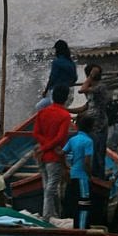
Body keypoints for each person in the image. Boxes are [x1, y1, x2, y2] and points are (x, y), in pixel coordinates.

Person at [33, 83, 72, 221]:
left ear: (52, 97)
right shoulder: (65, 115)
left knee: (48, 187)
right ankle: (47, 216)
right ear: (66, 98)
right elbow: (60, 138)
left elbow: (36, 133)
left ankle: (55, 214)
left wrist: (43, 147)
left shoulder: (42, 112)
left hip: (40, 156)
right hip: (54, 156)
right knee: (51, 189)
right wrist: (47, 148)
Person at [62, 114, 95, 229]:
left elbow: (62, 153)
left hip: (72, 175)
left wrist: (65, 168)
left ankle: (74, 227)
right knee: (84, 204)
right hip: (82, 177)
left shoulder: (73, 139)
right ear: (91, 128)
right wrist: (90, 176)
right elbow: (87, 162)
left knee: (73, 203)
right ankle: (81, 229)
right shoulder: (88, 141)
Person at [77, 64, 110, 177]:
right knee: (93, 150)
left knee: (99, 152)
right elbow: (86, 107)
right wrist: (66, 110)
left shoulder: (100, 87)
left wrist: (91, 76)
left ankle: (99, 176)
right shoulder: (91, 90)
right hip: (92, 124)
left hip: (99, 124)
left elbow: (81, 90)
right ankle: (93, 174)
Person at [37, 40, 77, 110]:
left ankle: (48, 120)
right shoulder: (71, 62)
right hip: (67, 91)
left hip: (56, 91)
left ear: (57, 50)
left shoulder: (57, 62)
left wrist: (45, 91)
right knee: (40, 105)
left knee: (50, 109)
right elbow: (75, 78)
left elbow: (52, 78)